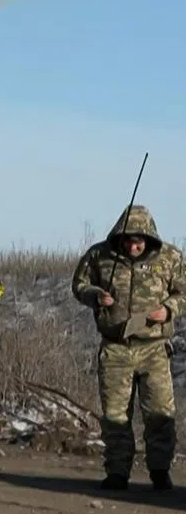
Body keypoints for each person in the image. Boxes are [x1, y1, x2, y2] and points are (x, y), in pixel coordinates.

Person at [71, 204, 186, 491]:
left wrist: (169, 308)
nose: (134, 246)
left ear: (148, 238)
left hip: (154, 348)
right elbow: (79, 285)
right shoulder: (100, 255)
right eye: (129, 240)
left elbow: (183, 292)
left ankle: (160, 470)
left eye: (139, 241)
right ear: (121, 237)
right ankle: (118, 472)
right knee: (115, 415)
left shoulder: (170, 258)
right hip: (116, 347)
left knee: (160, 413)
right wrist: (95, 295)